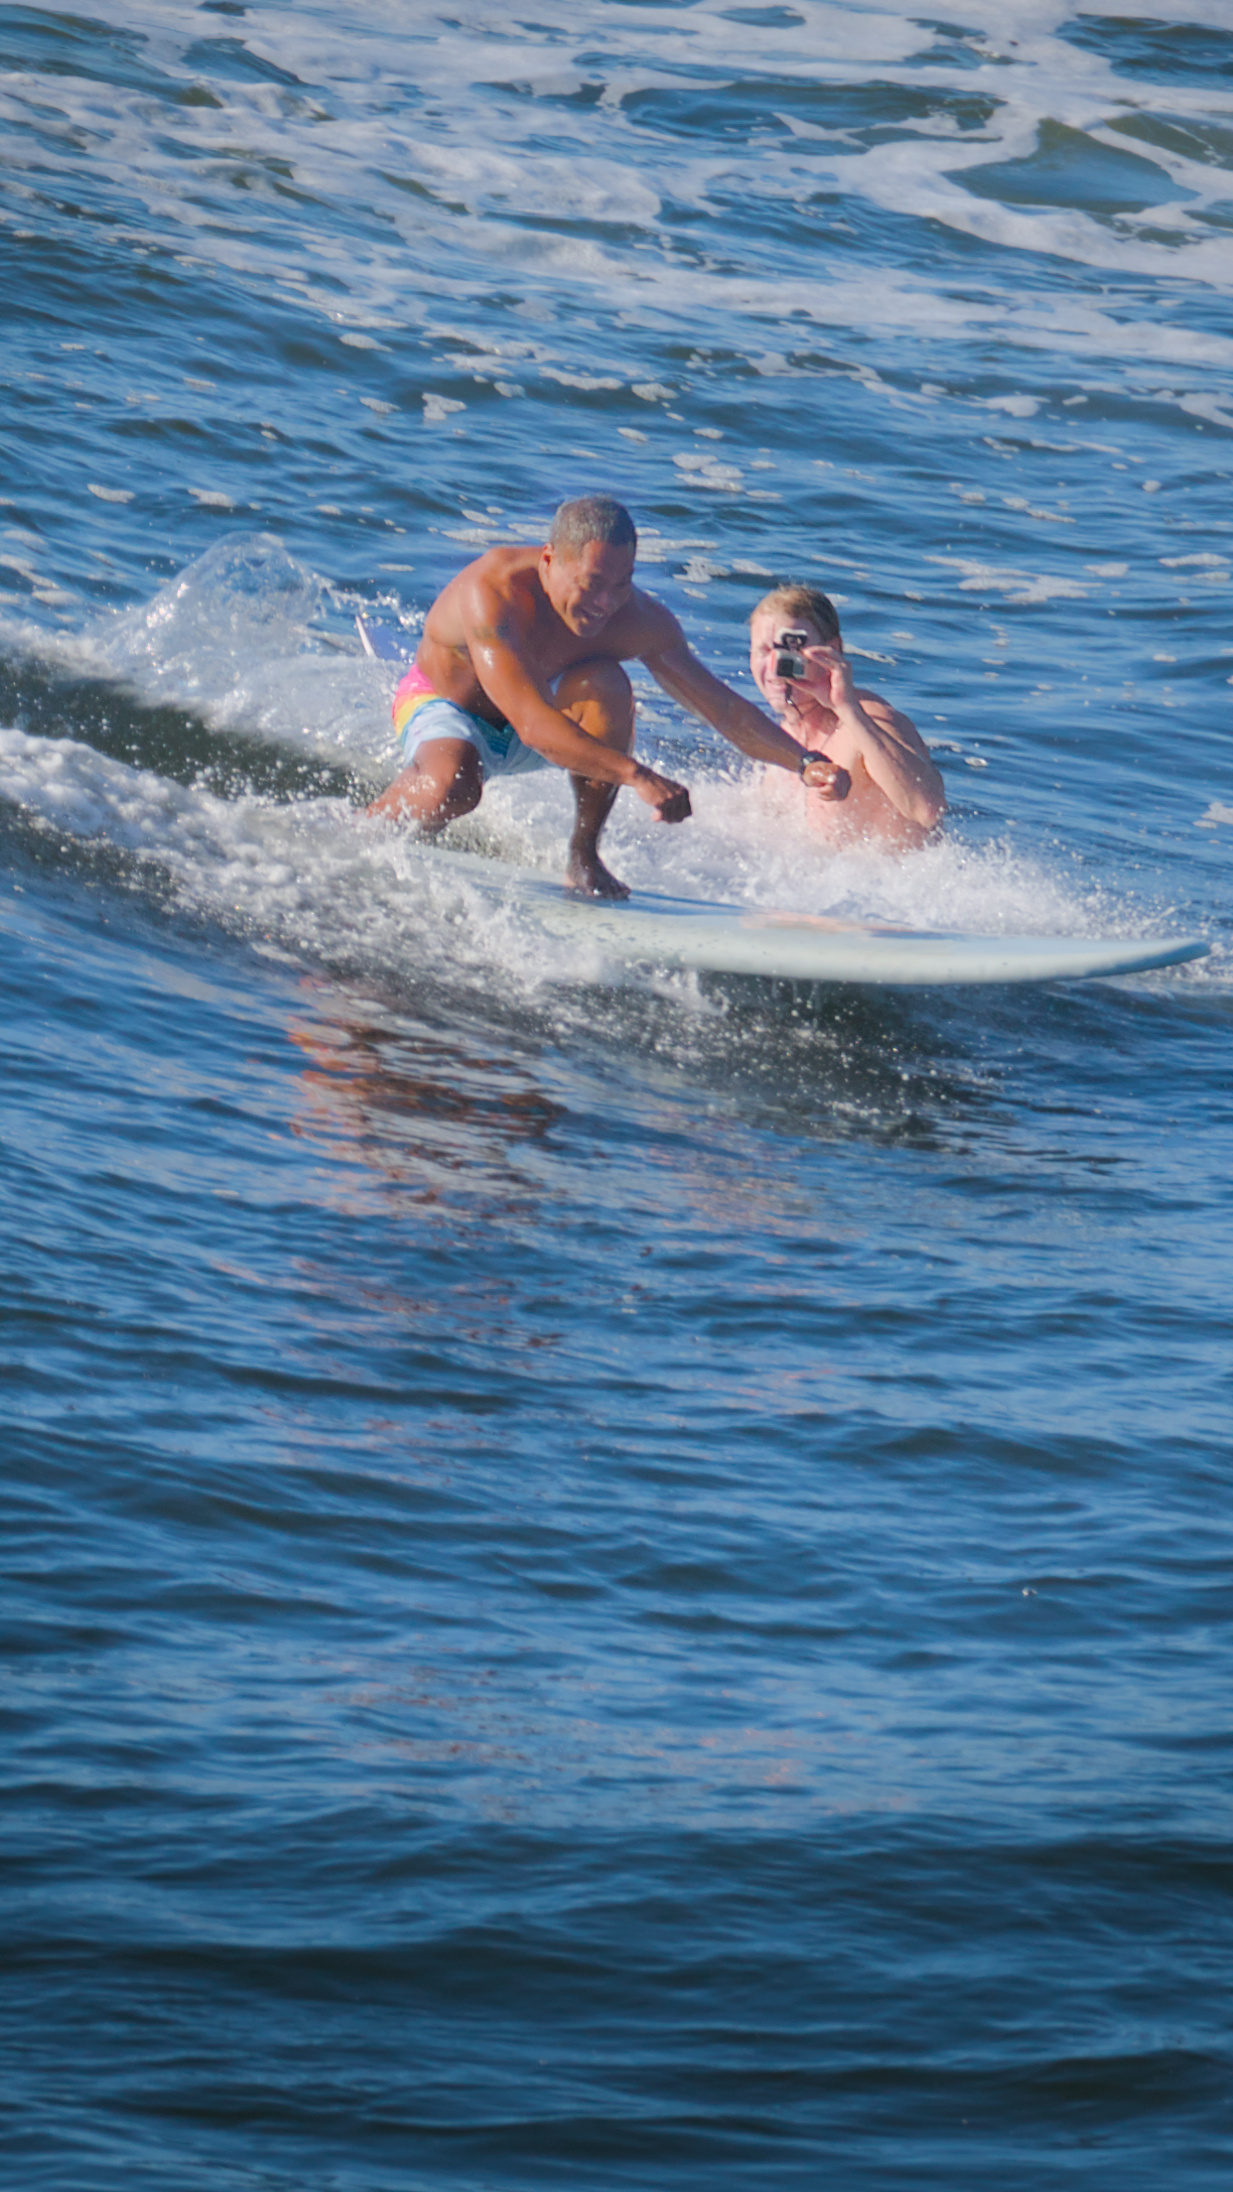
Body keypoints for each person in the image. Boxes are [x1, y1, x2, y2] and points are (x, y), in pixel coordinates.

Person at [368, 495, 849, 898]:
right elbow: (533, 725)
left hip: (541, 720)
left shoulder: (639, 619)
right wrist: (637, 776)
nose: (605, 603)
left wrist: (805, 762)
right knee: (455, 787)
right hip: (450, 709)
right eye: (591, 584)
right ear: (549, 560)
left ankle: (583, 857)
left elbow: (720, 708)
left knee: (608, 684)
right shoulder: (491, 592)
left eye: (621, 584)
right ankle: (362, 832)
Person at [749, 583, 946, 849]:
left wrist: (847, 708)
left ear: (833, 649)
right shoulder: (786, 734)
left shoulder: (869, 720)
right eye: (763, 651)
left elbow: (928, 809)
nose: (776, 666)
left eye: (791, 650)